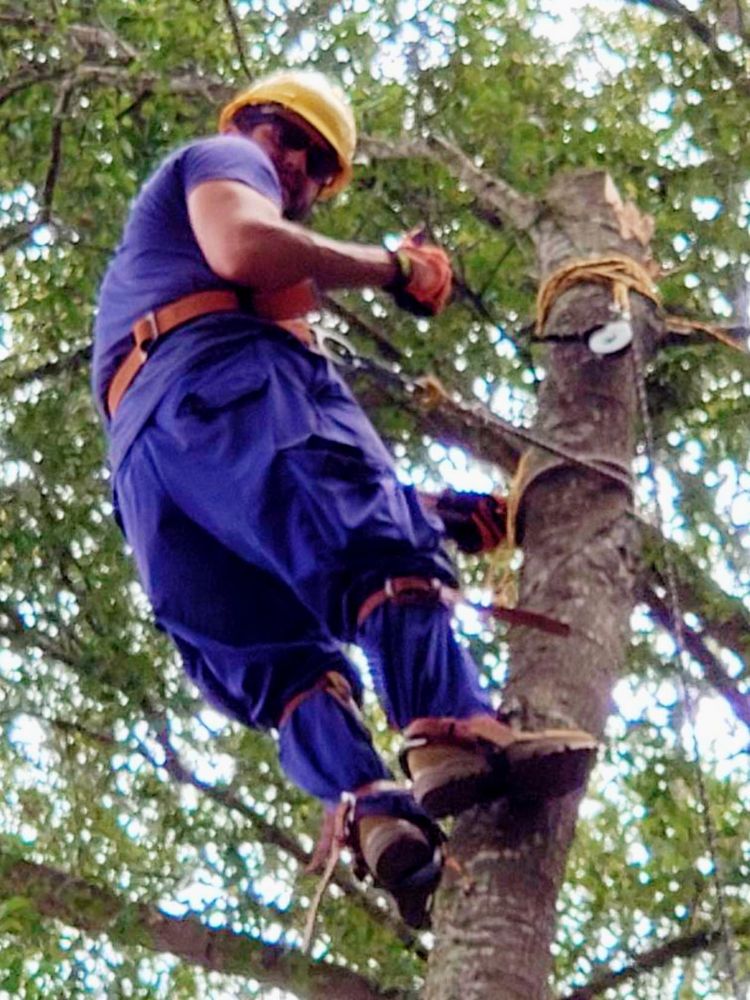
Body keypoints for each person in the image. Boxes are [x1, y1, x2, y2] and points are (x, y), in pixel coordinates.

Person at [92, 69, 596, 928]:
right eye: (279, 135)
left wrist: (432, 510)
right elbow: (246, 253)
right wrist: (393, 267)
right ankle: (446, 725)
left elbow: (277, 488)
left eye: (314, 161)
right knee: (381, 555)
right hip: (215, 389)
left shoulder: (180, 297)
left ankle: (373, 806)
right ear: (244, 125)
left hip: (154, 487)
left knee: (291, 667)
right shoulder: (219, 162)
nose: (288, 161)